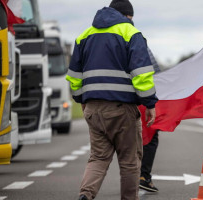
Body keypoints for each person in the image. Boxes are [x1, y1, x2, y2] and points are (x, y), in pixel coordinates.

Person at [65, 0, 158, 199]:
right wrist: (150, 103)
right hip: (122, 109)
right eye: (130, 18)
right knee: (129, 161)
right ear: (126, 16)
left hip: (92, 108)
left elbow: (74, 76)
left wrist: (81, 98)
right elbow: (142, 75)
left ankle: (86, 195)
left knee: (98, 158)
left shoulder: (84, 36)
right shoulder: (131, 33)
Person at [139, 48, 160, 192]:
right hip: (140, 99)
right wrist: (150, 102)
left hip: (115, 99)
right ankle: (143, 177)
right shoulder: (138, 41)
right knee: (150, 137)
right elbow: (155, 73)